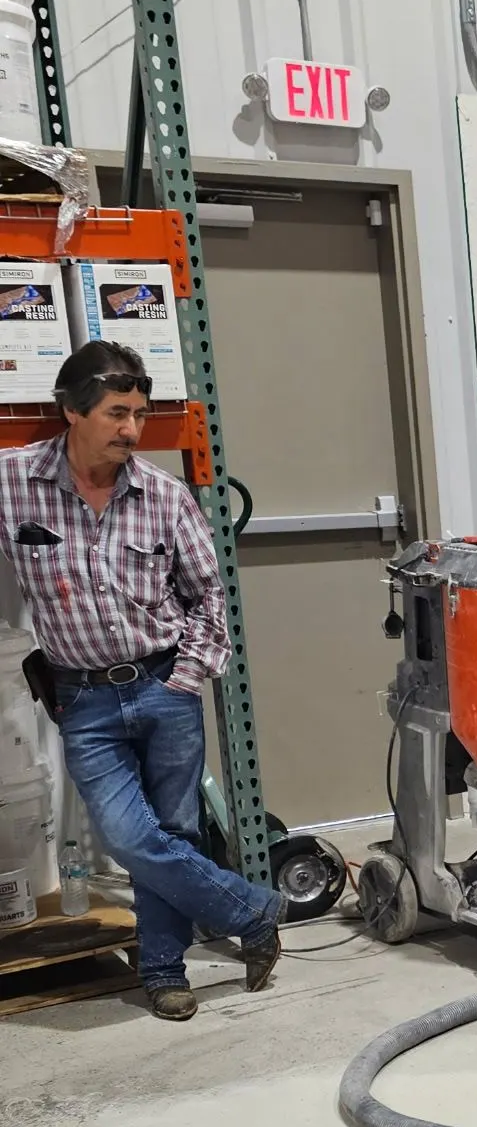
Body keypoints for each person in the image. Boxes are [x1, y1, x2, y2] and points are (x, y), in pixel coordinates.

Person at [0, 341, 282, 1020]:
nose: (131, 429)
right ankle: (252, 912)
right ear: (72, 411)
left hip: (164, 685)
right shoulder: (13, 482)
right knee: (131, 838)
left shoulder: (163, 495)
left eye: (140, 415)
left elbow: (209, 596)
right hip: (82, 696)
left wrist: (185, 679)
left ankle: (163, 972)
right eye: (116, 413)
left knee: (174, 835)